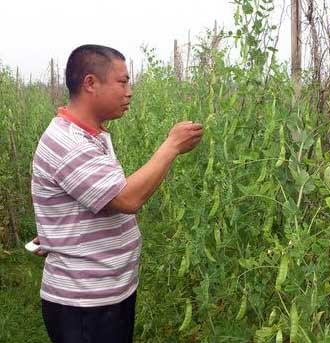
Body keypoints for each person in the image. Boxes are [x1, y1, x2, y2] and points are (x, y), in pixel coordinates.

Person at [29, 44, 203, 342]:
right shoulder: (68, 141)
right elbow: (126, 199)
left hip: (107, 293)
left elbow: (90, 197)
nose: (130, 91)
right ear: (90, 83)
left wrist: (57, 232)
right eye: (122, 81)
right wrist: (171, 146)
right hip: (84, 302)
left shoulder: (93, 133)